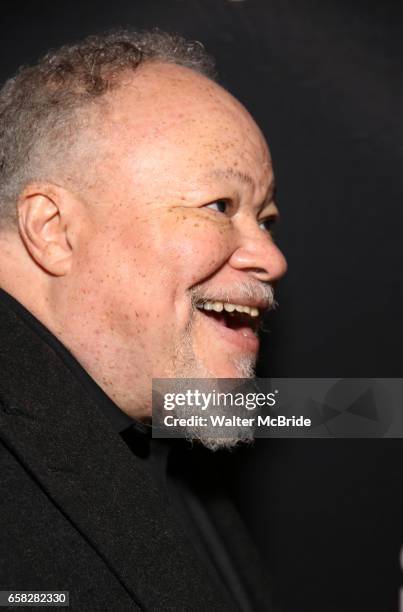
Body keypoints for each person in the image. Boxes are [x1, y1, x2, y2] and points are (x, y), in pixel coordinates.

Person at [0, 30, 287, 611]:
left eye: (266, 219)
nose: (274, 260)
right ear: (52, 229)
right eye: (220, 207)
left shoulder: (172, 455)